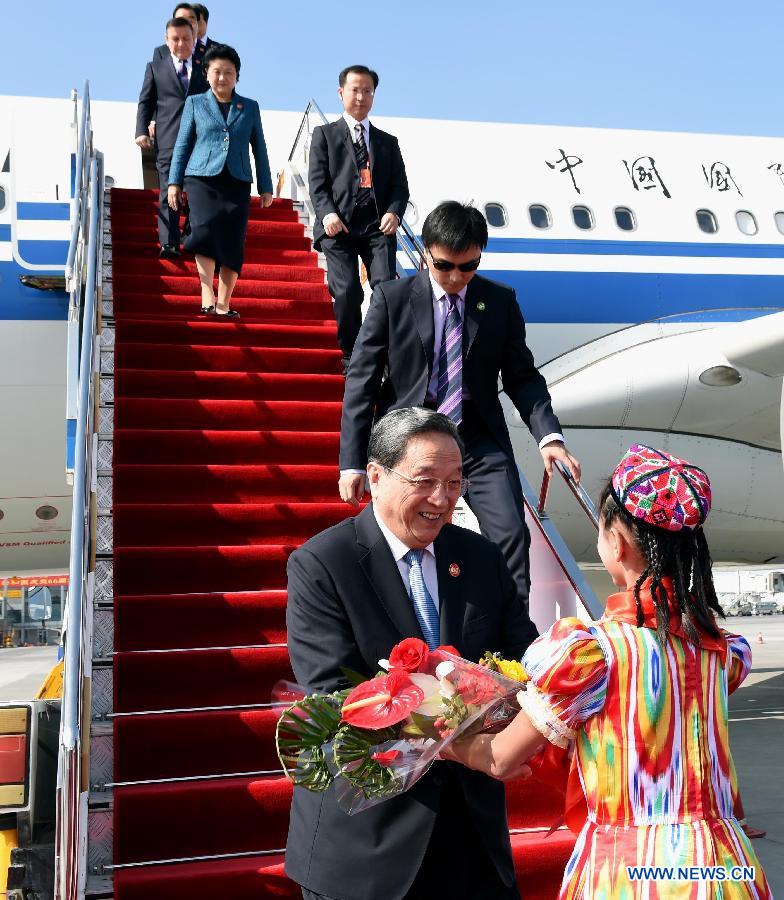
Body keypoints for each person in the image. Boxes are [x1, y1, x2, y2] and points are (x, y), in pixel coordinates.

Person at [445, 443, 772, 899]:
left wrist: (443, 741)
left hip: (632, 868)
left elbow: (501, 757)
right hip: (723, 864)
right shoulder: (723, 650)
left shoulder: (593, 654)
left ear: (614, 542)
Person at [285, 407, 539, 900]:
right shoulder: (322, 564)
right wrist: (467, 748)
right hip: (368, 845)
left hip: (472, 838)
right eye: (425, 481)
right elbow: (339, 699)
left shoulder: (481, 557)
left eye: (455, 482)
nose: (442, 500)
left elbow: (522, 658)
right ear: (375, 478)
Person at [339, 201, 580, 616]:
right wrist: (353, 463)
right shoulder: (392, 298)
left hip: (476, 436)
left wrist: (550, 436)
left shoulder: (498, 302)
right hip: (408, 439)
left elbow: (522, 376)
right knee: (403, 535)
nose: (454, 277)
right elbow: (361, 380)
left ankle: (509, 640)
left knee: (510, 534)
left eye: (467, 268)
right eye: (444, 265)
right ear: (425, 253)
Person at [308, 65, 409, 368]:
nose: (361, 96)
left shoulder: (386, 142)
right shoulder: (324, 135)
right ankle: (351, 354)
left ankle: (379, 349)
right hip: (338, 227)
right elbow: (317, 183)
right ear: (341, 93)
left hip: (376, 227)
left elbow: (400, 187)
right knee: (349, 291)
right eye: (355, 89)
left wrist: (394, 212)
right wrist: (327, 214)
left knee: (385, 288)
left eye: (368, 91)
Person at [167, 44, 273, 317]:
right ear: (207, 73)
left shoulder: (249, 107)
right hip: (201, 177)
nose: (223, 78)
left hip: (237, 180)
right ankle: (207, 293)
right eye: (217, 72)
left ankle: (224, 303)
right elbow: (182, 144)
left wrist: (265, 186)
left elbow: (259, 147)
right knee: (203, 230)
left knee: (232, 239)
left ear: (237, 75)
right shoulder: (195, 103)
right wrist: (174, 182)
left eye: (229, 72)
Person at [135, 16, 208, 258]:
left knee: (196, 191)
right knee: (169, 190)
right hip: (167, 139)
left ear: (194, 39)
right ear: (167, 41)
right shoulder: (155, 68)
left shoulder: (206, 68)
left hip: (200, 141)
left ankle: (191, 235)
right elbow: (146, 101)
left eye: (186, 38)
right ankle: (169, 243)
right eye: (175, 39)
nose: (180, 43)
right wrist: (141, 130)